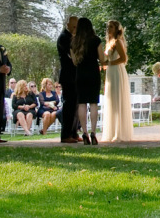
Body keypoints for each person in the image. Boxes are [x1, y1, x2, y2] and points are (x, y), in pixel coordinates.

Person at [71, 17, 106, 145]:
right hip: (93, 73)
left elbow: (74, 62)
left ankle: (84, 132)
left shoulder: (74, 42)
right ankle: (93, 133)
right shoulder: (96, 40)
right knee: (93, 103)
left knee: (82, 103)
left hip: (80, 74)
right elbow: (102, 59)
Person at [101, 20, 134, 142]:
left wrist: (109, 63)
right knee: (112, 101)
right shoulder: (108, 42)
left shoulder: (118, 41)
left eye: (111, 27)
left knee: (117, 100)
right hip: (110, 72)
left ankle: (119, 133)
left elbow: (123, 59)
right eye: (108, 27)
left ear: (116, 29)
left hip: (117, 72)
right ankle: (112, 132)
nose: (108, 29)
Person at [56, 16, 81, 143]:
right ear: (68, 25)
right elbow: (72, 55)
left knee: (76, 105)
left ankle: (74, 132)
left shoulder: (73, 37)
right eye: (74, 26)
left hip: (75, 76)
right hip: (68, 76)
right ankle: (65, 135)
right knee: (69, 105)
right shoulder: (64, 38)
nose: (76, 29)